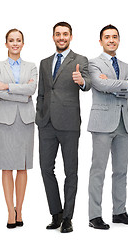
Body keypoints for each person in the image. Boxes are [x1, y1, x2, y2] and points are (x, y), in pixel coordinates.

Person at [35, 21, 91, 233]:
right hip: (46, 123)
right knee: (46, 169)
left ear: (71, 36)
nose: (61, 37)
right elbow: (41, 92)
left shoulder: (80, 60)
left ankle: (68, 217)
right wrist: (39, 116)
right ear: (53, 37)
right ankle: (56, 213)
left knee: (71, 171)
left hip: (68, 123)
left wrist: (81, 81)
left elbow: (88, 84)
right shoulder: (44, 62)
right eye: (58, 34)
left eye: (65, 34)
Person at [87, 24, 128, 230]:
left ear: (119, 40)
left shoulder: (127, 66)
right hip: (102, 123)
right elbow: (100, 85)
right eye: (107, 37)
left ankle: (119, 212)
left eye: (115, 37)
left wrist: (115, 85)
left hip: (123, 123)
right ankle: (94, 216)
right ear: (100, 41)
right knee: (98, 170)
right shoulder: (93, 63)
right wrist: (124, 85)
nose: (111, 40)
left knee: (121, 171)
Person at [0, 28, 37, 229]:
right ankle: (10, 210)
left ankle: (20, 209)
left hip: (26, 121)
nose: (15, 43)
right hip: (5, 121)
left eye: (18, 40)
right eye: (11, 40)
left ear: (23, 43)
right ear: (6, 44)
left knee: (22, 166)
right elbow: (0, 95)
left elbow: (32, 90)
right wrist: (22, 91)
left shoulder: (31, 66)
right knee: (6, 166)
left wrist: (8, 86)